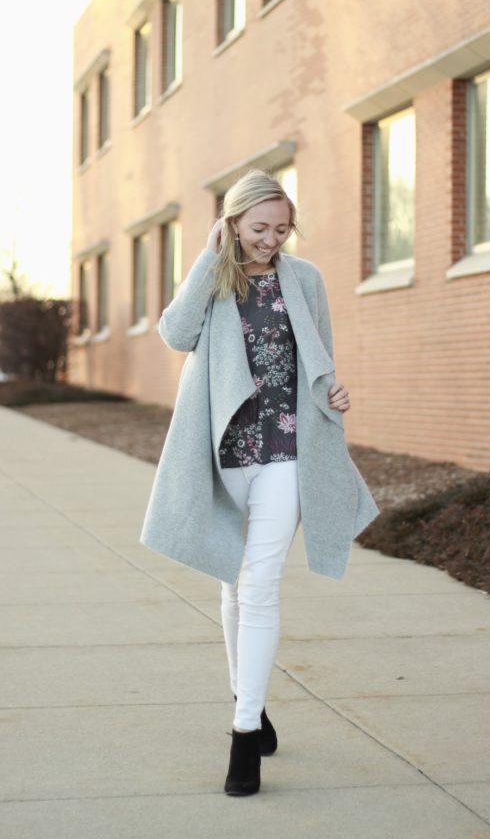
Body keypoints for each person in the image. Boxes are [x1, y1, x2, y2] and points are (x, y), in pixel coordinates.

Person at [140, 169, 380, 796]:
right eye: (258, 228)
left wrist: (336, 387)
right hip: (225, 450)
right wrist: (208, 256)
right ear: (233, 223)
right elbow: (174, 333)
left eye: (280, 228)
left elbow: (319, 359)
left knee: (262, 581)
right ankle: (249, 693)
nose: (271, 239)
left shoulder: (305, 280)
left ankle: (245, 734)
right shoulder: (214, 279)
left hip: (287, 450)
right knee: (232, 579)